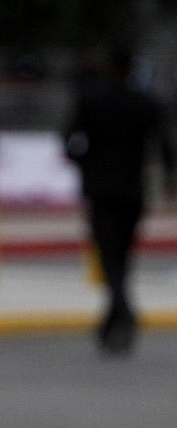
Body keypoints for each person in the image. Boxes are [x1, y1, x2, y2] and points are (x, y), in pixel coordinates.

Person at [65, 46, 174, 354]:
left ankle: (122, 311)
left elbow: (69, 142)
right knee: (122, 254)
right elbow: (165, 145)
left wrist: (86, 165)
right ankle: (116, 318)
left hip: (100, 189)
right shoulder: (147, 103)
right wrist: (167, 182)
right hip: (133, 189)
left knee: (108, 252)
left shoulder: (91, 100)